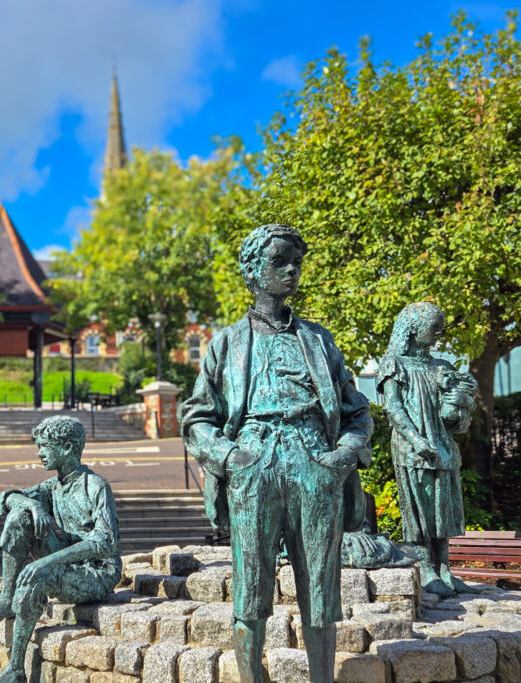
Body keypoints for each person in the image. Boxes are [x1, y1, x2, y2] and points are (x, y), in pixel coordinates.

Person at [181, 223, 373, 683]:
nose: (291, 270)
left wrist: (341, 458)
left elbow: (357, 412)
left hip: (314, 462)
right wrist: (229, 458)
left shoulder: (319, 340)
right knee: (250, 588)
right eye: (279, 261)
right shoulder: (226, 343)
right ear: (252, 270)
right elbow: (196, 417)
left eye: (297, 262)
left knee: (321, 589)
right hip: (254, 462)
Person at [0, 416, 122, 683]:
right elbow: (6, 498)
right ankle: (6, 600)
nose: (39, 453)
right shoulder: (54, 487)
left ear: (67, 448)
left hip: (98, 573)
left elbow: (105, 542)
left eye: (45, 446)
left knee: (37, 576)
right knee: (19, 517)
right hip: (67, 561)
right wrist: (33, 505)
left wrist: (47, 561)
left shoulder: (95, 486)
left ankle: (16, 668)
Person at [377, 302, 478, 598]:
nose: (438, 335)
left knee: (444, 508)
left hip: (443, 447)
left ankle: (445, 567)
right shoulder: (394, 363)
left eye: (440, 329)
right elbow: (392, 407)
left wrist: (462, 404)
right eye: (433, 328)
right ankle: (425, 568)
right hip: (413, 450)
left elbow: (457, 420)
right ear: (412, 329)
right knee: (420, 508)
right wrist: (416, 439)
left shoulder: (442, 367)